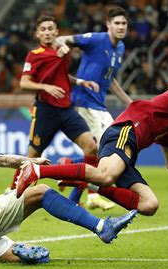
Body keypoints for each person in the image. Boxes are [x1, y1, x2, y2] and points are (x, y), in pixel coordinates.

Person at [16, 61, 168, 217]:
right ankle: (37, 170)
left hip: (129, 151)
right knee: (105, 175)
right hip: (123, 131)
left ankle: (78, 175)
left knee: (149, 205)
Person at [0, 117, 137, 264]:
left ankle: (21, 253)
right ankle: (102, 226)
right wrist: (32, 161)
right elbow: (4, 159)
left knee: (34, 257)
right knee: (40, 191)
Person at [8, 15, 100, 190]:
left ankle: (86, 187)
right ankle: (12, 193)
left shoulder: (61, 52)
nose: (47, 32)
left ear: (57, 32)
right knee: (32, 157)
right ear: (37, 34)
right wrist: (45, 88)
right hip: (46, 111)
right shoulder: (34, 56)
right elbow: (24, 83)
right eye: (43, 30)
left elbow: (61, 77)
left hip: (66, 109)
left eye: (51, 29)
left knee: (91, 148)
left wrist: (80, 82)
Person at [54, 6, 132, 210]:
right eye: (117, 23)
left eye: (124, 23)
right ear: (108, 24)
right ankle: (71, 171)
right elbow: (63, 39)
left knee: (98, 153)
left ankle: (76, 188)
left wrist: (129, 103)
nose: (121, 26)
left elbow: (110, 79)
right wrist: (62, 48)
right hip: (84, 101)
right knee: (108, 148)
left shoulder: (120, 48)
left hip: (98, 104)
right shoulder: (96, 39)